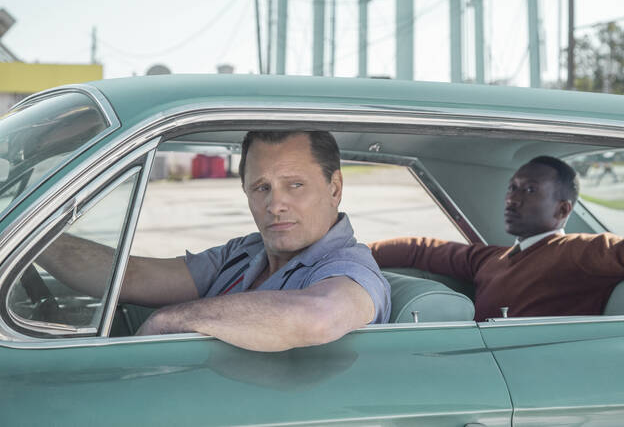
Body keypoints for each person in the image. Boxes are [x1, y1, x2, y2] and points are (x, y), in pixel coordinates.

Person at [39, 130, 391, 350]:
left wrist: (170, 321)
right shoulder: (244, 253)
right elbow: (131, 277)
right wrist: (39, 243)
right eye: (261, 187)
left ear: (335, 188)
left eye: (295, 185)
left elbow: (319, 316)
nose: (275, 204)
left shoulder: (348, 267)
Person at [369, 156, 624, 321]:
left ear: (563, 210)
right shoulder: (491, 259)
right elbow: (423, 249)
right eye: (512, 188)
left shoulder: (578, 251)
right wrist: (357, 254)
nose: (512, 198)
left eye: (530, 190)